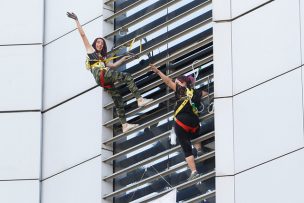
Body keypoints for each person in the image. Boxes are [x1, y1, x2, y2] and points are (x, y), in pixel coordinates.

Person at [67, 12, 153, 133]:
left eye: (102, 44)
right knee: (127, 76)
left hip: (103, 80)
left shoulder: (102, 59)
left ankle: (124, 125)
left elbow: (113, 65)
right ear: (94, 44)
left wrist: (124, 58)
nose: (100, 44)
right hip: (101, 75)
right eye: (98, 42)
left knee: (118, 100)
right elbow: (82, 35)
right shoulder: (91, 51)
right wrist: (76, 20)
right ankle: (139, 100)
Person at [150, 64, 208, 181]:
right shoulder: (196, 92)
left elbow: (167, 81)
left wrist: (158, 72)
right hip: (194, 122)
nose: (175, 84)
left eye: (177, 82)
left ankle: (194, 171)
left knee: (186, 147)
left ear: (182, 83)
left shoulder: (180, 90)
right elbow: (206, 94)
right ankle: (200, 151)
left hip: (182, 122)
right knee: (195, 135)